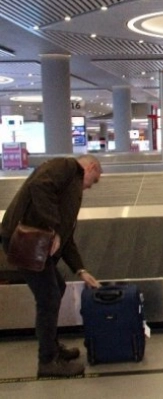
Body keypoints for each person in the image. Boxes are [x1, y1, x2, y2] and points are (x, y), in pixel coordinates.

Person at [1, 155, 103, 378]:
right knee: (48, 297)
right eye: (93, 181)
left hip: (35, 242)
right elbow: (39, 185)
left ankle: (52, 348)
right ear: (91, 167)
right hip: (25, 240)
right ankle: (47, 361)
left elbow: (66, 238)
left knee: (57, 287)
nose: (90, 187)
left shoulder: (70, 186)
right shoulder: (66, 166)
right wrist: (52, 226)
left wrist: (81, 270)